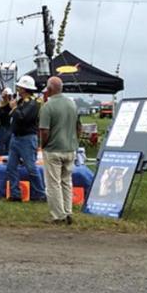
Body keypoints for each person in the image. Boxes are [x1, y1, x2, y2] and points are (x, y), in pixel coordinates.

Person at [39, 76, 80, 224]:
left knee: (53, 183)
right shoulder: (72, 104)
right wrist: (75, 140)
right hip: (70, 148)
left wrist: (43, 145)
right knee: (66, 181)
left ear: (49, 89)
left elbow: (44, 130)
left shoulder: (47, 107)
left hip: (53, 149)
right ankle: (68, 211)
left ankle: (58, 215)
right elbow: (78, 126)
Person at [5, 76, 46, 202]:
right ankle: (15, 194)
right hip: (16, 137)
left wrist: (14, 108)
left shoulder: (33, 103)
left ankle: (40, 194)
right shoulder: (22, 101)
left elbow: (23, 117)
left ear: (25, 88)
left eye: (20, 87)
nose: (18, 88)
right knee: (11, 167)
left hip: (27, 138)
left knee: (31, 168)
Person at [0, 87, 14, 156]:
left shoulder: (9, 105)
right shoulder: (3, 105)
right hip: (6, 127)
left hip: (5, 128)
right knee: (6, 147)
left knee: (3, 146)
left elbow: (3, 116)